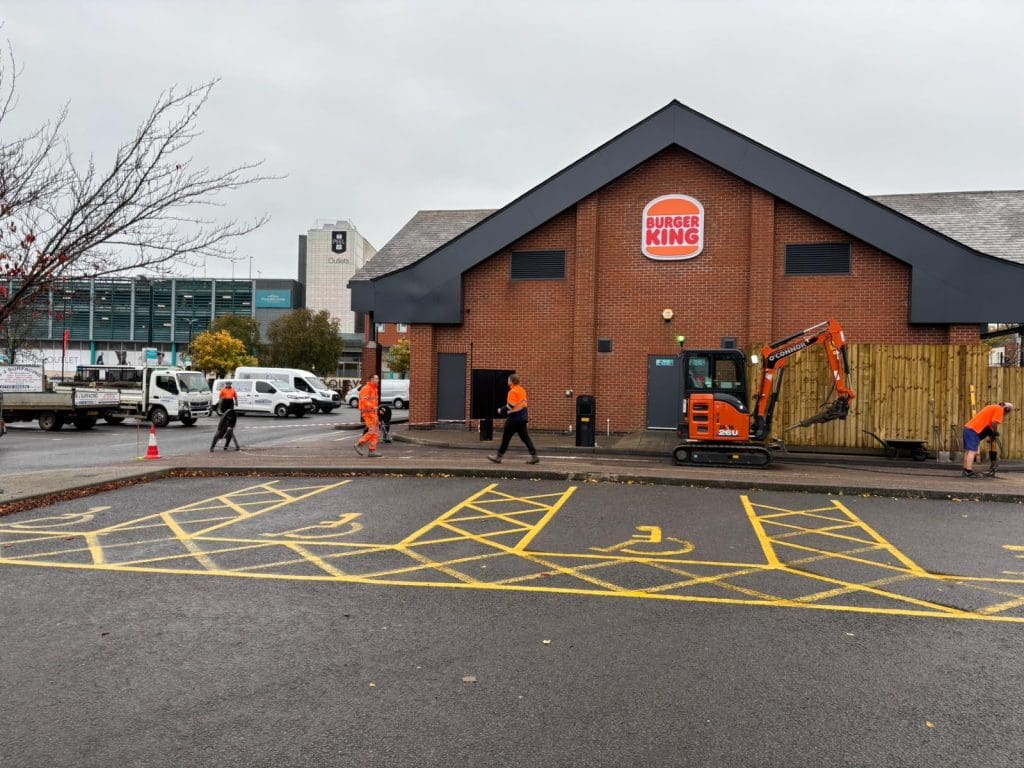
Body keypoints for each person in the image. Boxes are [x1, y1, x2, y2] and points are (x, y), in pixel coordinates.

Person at [487, 373, 539, 465]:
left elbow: (511, 405)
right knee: (525, 438)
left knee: (506, 438)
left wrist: (501, 410)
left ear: (511, 381)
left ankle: (498, 457)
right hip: (522, 418)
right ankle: (534, 456)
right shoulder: (522, 390)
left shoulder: (512, 392)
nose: (507, 381)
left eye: (508, 380)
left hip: (513, 419)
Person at [962, 402, 1014, 477]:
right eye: (1008, 411)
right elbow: (994, 422)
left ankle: (965, 470)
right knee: (972, 451)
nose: (1006, 414)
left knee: (968, 451)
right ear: (1006, 409)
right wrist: (994, 432)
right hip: (974, 430)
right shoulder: (999, 409)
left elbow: (988, 422)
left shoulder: (992, 407)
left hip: (969, 428)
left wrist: (991, 432)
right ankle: (968, 471)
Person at [354, 374, 382, 457]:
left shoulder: (374, 389)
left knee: (376, 433)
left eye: (378, 379)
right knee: (372, 431)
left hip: (373, 413)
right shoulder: (366, 388)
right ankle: (359, 444)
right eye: (376, 379)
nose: (378, 380)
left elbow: (373, 402)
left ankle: (372, 450)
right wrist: (373, 407)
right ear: (371, 379)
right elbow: (364, 401)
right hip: (368, 413)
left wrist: (376, 411)